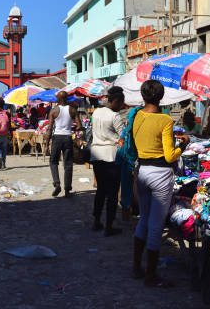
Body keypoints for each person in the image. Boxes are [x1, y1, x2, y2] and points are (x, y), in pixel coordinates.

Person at [131, 80, 188, 288]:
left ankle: (137, 267)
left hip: (142, 171)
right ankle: (151, 275)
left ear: (143, 96)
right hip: (161, 174)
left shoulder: (136, 116)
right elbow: (170, 155)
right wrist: (183, 145)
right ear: (161, 97)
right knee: (156, 225)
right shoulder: (165, 120)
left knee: (143, 219)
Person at [89, 86, 125, 236]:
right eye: (121, 103)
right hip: (110, 155)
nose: (122, 106)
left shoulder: (96, 112)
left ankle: (97, 221)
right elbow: (122, 136)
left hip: (96, 154)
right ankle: (109, 226)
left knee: (101, 190)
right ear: (116, 101)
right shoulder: (114, 116)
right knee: (112, 193)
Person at [44, 91, 82, 198]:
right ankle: (67, 190)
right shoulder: (73, 109)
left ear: (58, 99)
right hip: (68, 138)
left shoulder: (54, 111)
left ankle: (57, 184)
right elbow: (79, 126)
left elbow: (49, 129)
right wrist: (71, 128)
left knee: (53, 161)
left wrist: (47, 145)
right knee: (68, 163)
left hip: (57, 138)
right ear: (66, 98)